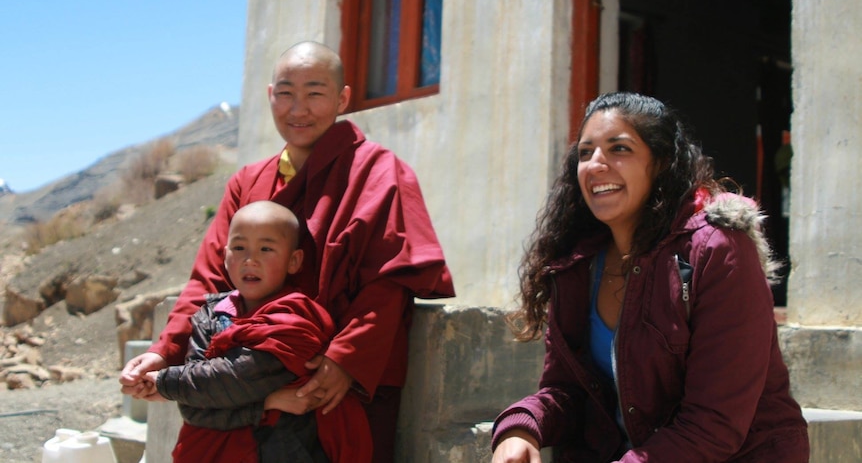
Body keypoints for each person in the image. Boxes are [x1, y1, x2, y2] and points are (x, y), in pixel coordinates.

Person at [120, 41, 455, 463]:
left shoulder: (379, 172)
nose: (298, 109)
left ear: (342, 98)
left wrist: (345, 360)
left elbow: (388, 281)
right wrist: (162, 351)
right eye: (286, 93)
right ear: (269, 96)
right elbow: (210, 281)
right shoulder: (248, 182)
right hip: (244, 379)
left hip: (332, 383)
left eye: (315, 93)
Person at [491, 92, 809, 462]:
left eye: (619, 149)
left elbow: (713, 425)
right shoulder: (577, 265)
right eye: (584, 152)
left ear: (660, 163)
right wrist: (522, 427)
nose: (595, 165)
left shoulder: (717, 251)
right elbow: (569, 391)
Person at [142, 200, 371, 463]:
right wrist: (267, 404)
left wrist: (164, 382)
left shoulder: (295, 319)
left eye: (266, 249)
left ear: (294, 261)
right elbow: (194, 407)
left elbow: (236, 379)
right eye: (239, 248)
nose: (250, 260)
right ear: (225, 256)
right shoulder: (210, 315)